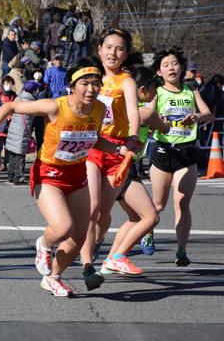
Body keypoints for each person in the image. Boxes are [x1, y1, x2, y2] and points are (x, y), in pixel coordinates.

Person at [0, 58, 128, 297]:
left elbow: (93, 138)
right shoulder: (55, 107)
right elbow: (9, 107)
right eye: (85, 83)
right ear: (72, 85)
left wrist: (117, 148)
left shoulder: (100, 109)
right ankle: (45, 244)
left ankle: (53, 277)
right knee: (62, 227)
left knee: (79, 236)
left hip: (77, 174)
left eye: (96, 84)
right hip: (48, 173)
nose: (91, 89)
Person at [79, 28, 142, 291]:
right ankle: (86, 265)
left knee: (104, 214)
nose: (112, 53)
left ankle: (98, 240)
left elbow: (133, 113)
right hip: (92, 147)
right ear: (99, 49)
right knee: (92, 208)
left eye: (118, 48)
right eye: (108, 47)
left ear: (125, 54)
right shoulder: (91, 79)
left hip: (117, 152)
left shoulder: (126, 81)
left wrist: (133, 139)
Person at [145, 47, 212, 266]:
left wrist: (196, 116)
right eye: (166, 65)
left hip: (187, 151)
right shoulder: (157, 92)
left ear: (181, 67)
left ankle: (181, 251)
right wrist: (156, 120)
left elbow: (209, 115)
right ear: (159, 71)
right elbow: (145, 117)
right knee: (158, 205)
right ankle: (147, 231)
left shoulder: (190, 89)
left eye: (174, 63)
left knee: (182, 202)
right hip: (164, 151)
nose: (171, 68)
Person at [100, 66, 169, 276]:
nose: (155, 94)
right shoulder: (145, 111)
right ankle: (117, 257)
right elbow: (164, 129)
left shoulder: (118, 107)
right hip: (124, 166)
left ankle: (110, 261)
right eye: (152, 90)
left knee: (135, 218)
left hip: (114, 163)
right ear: (141, 90)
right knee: (150, 217)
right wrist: (162, 123)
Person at [5, 80, 39, 185]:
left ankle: (11, 175)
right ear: (33, 90)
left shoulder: (17, 98)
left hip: (13, 129)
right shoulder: (32, 103)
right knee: (20, 154)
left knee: (12, 153)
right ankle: (18, 177)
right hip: (22, 131)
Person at [0, 76, 17, 171]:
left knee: (8, 144)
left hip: (10, 122)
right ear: (2, 83)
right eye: (6, 83)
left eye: (10, 83)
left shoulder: (14, 95)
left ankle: (7, 162)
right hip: (0, 121)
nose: (8, 85)